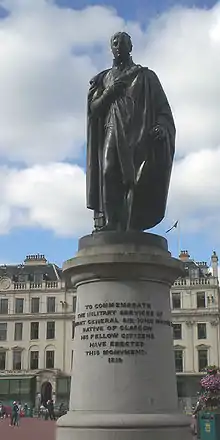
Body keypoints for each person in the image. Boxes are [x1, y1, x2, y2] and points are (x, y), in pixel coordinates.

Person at [87, 31, 175, 232]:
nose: (119, 46)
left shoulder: (146, 76)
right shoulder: (104, 79)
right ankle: (111, 222)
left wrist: (161, 127)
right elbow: (94, 109)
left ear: (131, 47)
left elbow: (163, 109)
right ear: (111, 48)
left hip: (140, 133)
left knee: (136, 180)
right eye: (115, 43)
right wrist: (110, 92)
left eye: (123, 42)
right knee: (109, 171)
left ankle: (133, 224)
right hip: (112, 128)